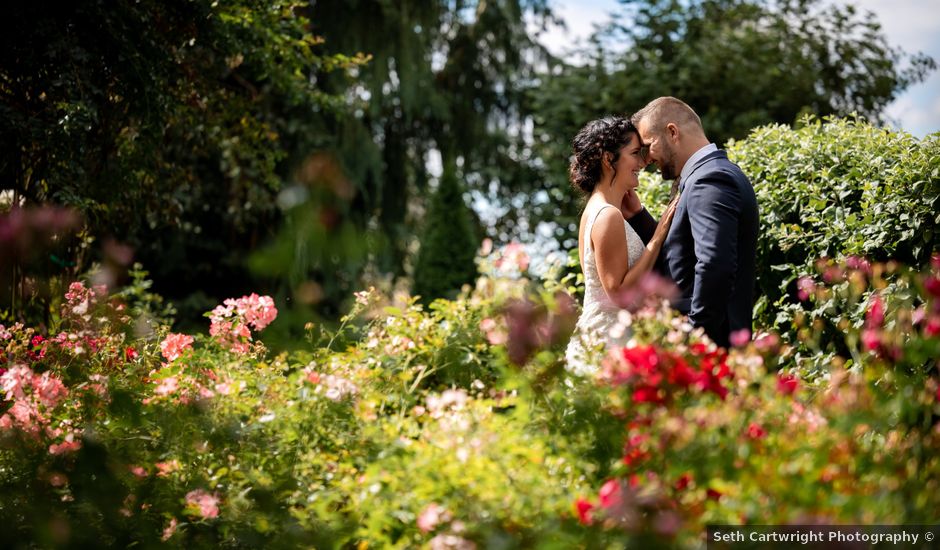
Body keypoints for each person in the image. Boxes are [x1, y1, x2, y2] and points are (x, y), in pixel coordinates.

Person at [623, 97, 759, 348]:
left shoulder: (711, 179)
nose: (645, 161)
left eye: (648, 146)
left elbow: (714, 265)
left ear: (672, 132)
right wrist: (638, 216)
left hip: (710, 346)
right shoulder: (705, 176)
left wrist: (695, 335)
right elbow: (680, 257)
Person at [565, 116, 678, 374]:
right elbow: (617, 292)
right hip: (606, 348)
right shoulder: (607, 215)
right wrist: (658, 237)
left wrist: (638, 214)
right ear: (608, 159)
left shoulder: (595, 211)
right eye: (635, 154)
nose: (642, 163)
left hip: (601, 340)